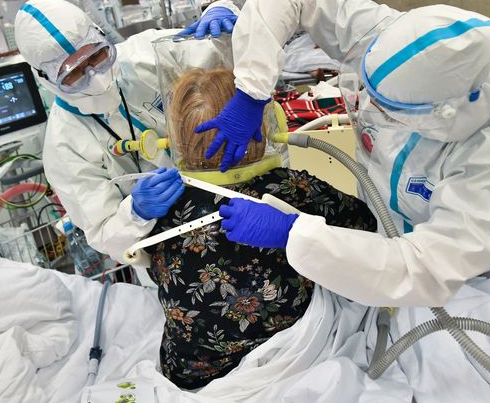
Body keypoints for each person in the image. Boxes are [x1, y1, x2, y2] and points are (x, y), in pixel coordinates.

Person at [197, 0, 490, 308]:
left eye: (389, 112)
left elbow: (427, 269)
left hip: (462, 288)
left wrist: (297, 237)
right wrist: (251, 89)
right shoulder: (393, 38)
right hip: (371, 238)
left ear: (441, 114)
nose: (370, 112)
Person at [143, 67, 376, 389]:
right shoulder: (292, 189)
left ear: (176, 138)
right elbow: (366, 227)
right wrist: (297, 228)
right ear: (262, 126)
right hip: (292, 351)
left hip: (192, 370)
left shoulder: (159, 204)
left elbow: (154, 271)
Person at [13, 0, 237, 263]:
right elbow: (104, 233)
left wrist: (223, 17)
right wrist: (135, 213)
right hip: (175, 249)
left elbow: (224, 57)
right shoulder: (64, 147)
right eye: (73, 73)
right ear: (46, 79)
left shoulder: (148, 52)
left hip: (234, 185)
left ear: (100, 36)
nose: (95, 75)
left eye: (97, 55)